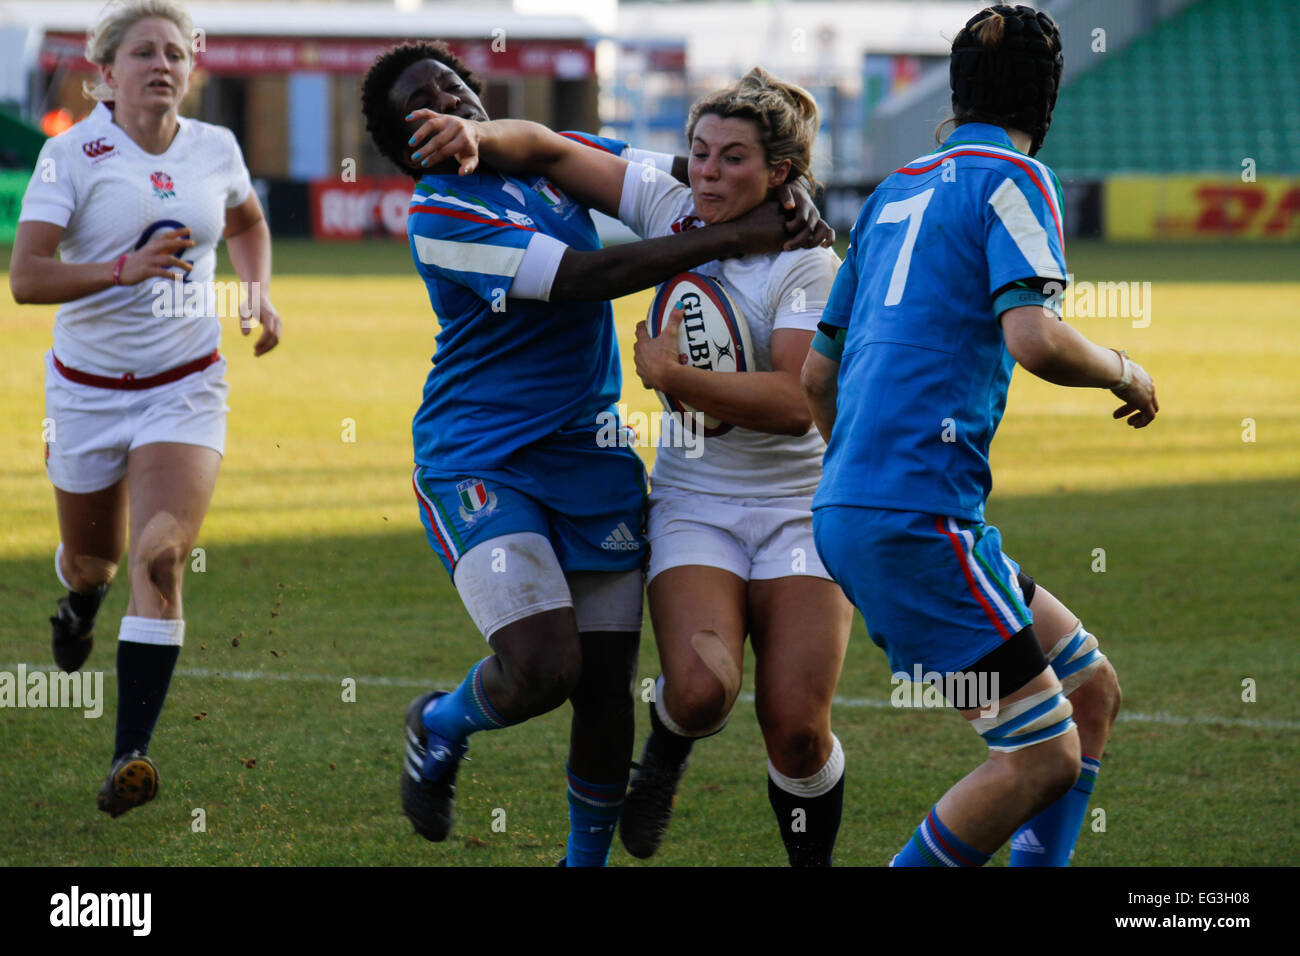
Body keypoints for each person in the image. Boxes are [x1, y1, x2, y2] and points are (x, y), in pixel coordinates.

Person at [360, 42, 831, 866]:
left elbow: (578, 150)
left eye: (455, 85)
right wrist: (732, 237)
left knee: (609, 688)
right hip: (483, 460)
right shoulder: (441, 214)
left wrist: (775, 204)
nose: (447, 101)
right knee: (545, 666)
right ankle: (438, 723)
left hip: (592, 454)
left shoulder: (564, 168)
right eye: (420, 104)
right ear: (407, 148)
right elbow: (580, 275)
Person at [802, 3, 1148, 866]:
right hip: (917, 522)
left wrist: (864, 479)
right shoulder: (1017, 179)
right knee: (1041, 755)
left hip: (864, 509)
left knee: (1091, 692)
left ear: (957, 91)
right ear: (1048, 98)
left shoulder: (891, 194)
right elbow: (1034, 337)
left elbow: (816, 375)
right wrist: (1123, 369)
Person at [8, 0, 281, 817]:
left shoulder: (216, 148)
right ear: (106, 73)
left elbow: (247, 219)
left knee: (162, 558)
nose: (163, 64)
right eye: (144, 53)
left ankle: (131, 753)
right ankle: (78, 602)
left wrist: (257, 292)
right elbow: (26, 277)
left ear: (190, 72)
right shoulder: (71, 154)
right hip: (87, 394)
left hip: (185, 384)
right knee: (94, 562)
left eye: (176, 53)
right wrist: (121, 269)